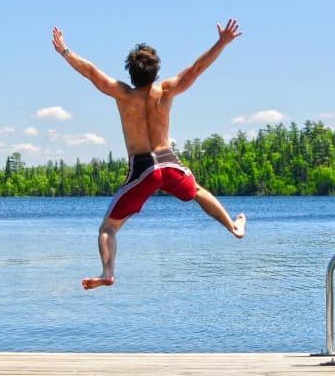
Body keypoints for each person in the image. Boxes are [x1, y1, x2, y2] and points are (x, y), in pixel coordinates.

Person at [52, 20, 247, 290]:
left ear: (130, 73)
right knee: (199, 192)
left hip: (143, 168)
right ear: (156, 72)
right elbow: (196, 69)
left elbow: (91, 73)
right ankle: (233, 226)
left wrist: (65, 52)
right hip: (169, 163)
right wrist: (222, 43)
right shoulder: (166, 91)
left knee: (108, 228)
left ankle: (108, 271)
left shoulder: (123, 94)